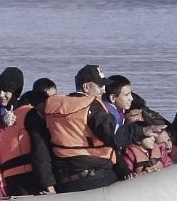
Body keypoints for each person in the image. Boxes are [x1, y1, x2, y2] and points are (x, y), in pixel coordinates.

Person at [39, 64, 141, 193]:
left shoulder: (52, 108)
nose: (104, 90)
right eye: (99, 86)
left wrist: (48, 183)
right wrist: (143, 131)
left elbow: (42, 150)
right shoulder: (93, 107)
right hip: (96, 178)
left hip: (64, 178)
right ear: (86, 87)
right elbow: (114, 138)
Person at [1, 84, 55, 197]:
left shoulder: (8, 119)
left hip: (10, 177)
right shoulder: (32, 114)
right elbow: (40, 152)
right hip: (29, 176)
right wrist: (48, 184)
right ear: (33, 105)